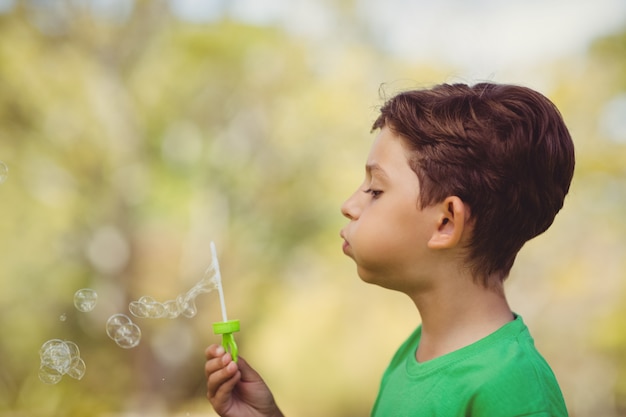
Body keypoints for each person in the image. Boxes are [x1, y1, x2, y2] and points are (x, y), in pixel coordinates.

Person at [204, 82, 575, 416]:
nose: (349, 205)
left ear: (446, 222)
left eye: (375, 190)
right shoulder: (415, 352)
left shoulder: (513, 388)